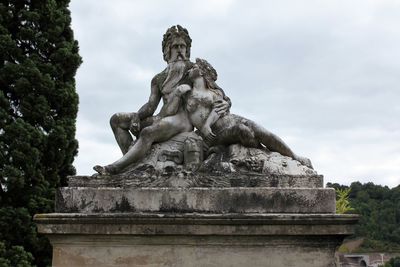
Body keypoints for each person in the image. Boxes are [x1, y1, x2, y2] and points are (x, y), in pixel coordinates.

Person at [94, 26, 229, 175]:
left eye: (182, 46)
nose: (179, 50)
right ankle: (130, 161)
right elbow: (151, 106)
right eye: (175, 46)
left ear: (187, 49)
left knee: (147, 132)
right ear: (167, 50)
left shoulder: (192, 70)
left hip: (182, 119)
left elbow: (215, 89)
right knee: (117, 120)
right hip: (163, 116)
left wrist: (227, 102)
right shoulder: (158, 78)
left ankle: (115, 168)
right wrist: (136, 117)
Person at [182, 58, 313, 168]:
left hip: (230, 119)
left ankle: (295, 157)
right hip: (217, 132)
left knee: (262, 131)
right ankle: (262, 152)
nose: (190, 70)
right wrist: (206, 127)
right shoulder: (187, 94)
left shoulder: (215, 92)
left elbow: (219, 108)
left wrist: (207, 124)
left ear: (201, 71)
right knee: (243, 131)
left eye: (193, 67)